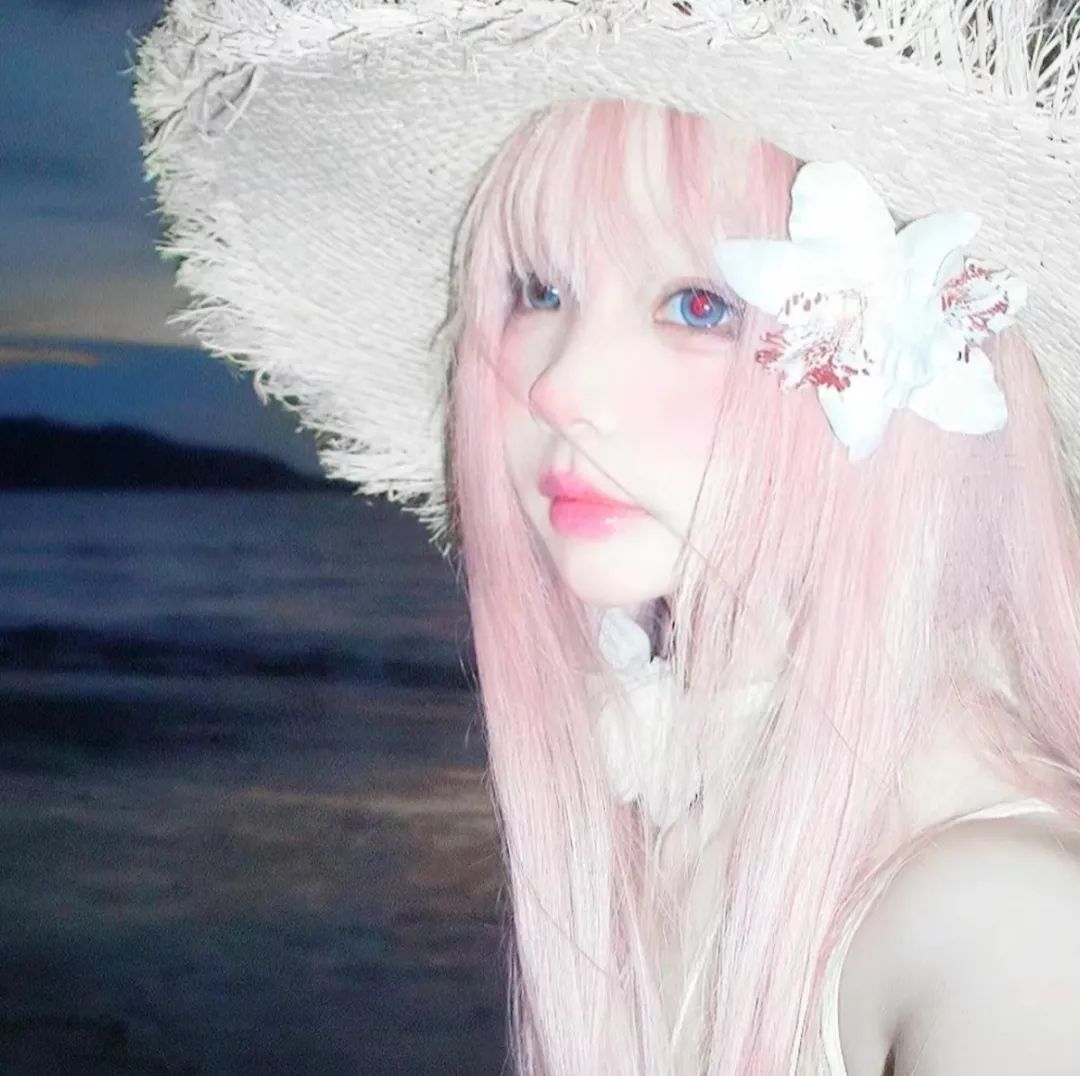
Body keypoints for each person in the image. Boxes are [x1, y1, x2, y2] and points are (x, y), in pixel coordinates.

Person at [135, 2, 1080, 1072]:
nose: (557, 385)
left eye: (700, 306)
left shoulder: (1006, 931)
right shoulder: (705, 804)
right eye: (538, 292)